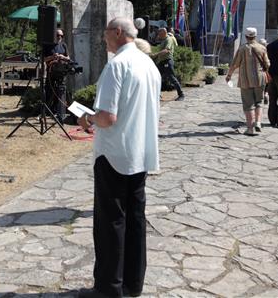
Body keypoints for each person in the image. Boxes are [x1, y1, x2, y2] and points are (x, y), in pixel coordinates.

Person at [76, 17, 161, 298]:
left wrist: (87, 119)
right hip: (140, 152)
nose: (103, 39)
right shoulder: (148, 64)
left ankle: (108, 288)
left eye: (105, 33)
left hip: (114, 154)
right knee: (135, 220)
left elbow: (108, 117)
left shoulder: (117, 65)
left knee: (110, 222)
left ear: (117, 32)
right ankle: (132, 284)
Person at [225, 27, 270, 135]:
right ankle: (258, 122)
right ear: (255, 36)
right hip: (260, 78)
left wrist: (229, 75)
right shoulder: (262, 48)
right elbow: (267, 64)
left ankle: (250, 128)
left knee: (248, 104)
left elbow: (235, 64)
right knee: (259, 101)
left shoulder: (242, 49)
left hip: (245, 79)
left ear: (246, 36)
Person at [43, 28, 70, 120]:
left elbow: (68, 58)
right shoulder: (48, 46)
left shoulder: (64, 45)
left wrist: (63, 57)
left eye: (61, 36)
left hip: (61, 72)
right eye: (58, 35)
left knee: (61, 92)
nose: (59, 37)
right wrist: (52, 57)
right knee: (49, 92)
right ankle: (47, 112)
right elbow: (43, 59)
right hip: (51, 72)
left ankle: (59, 112)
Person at [153, 27, 184, 100]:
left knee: (172, 78)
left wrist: (156, 55)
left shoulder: (168, 39)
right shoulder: (163, 40)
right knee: (157, 77)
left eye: (159, 34)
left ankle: (181, 94)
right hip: (162, 62)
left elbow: (166, 50)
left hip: (167, 61)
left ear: (163, 33)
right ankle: (157, 94)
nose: (158, 35)